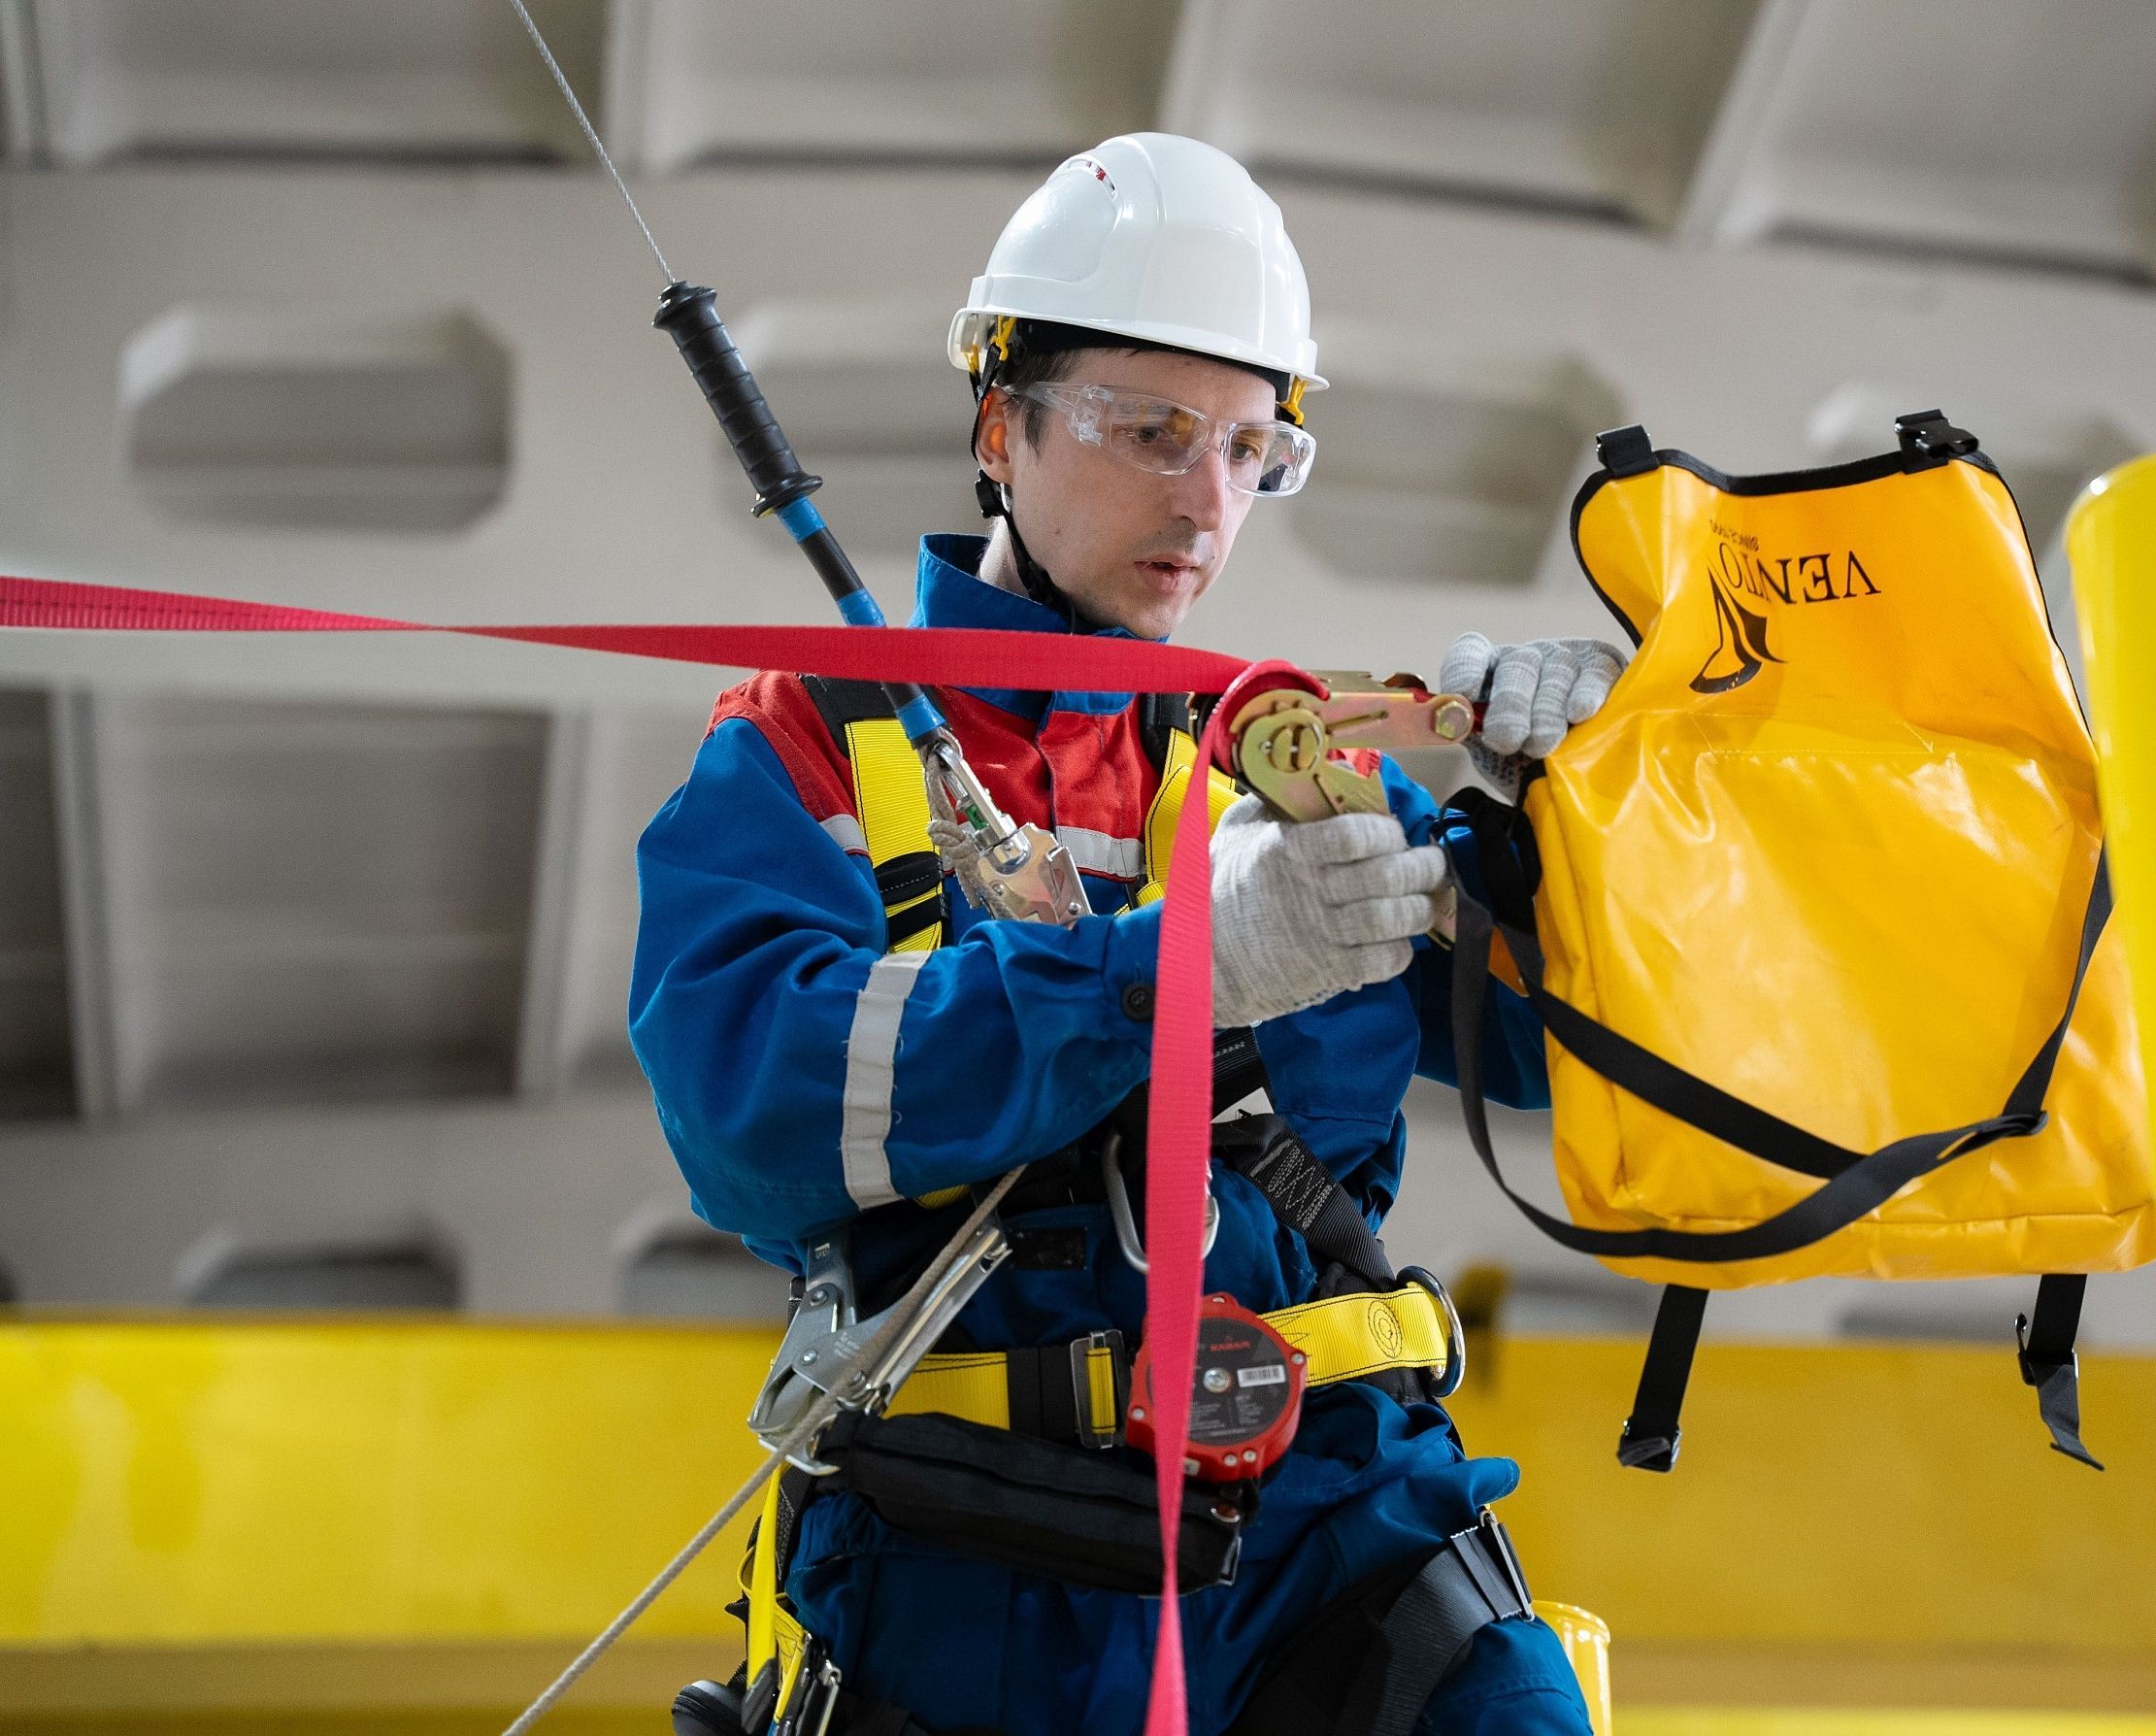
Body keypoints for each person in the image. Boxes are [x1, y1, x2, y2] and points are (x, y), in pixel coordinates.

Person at [631, 133, 1626, 1735]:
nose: (1205, 498)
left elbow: (1587, 1050)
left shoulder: (1294, 771)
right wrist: (1173, 971)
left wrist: (1597, 814)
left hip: (1341, 1519)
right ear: (999, 427)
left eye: (1248, 448)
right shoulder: (812, 743)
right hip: (969, 1532)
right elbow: (751, 1111)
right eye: (1149, 430)